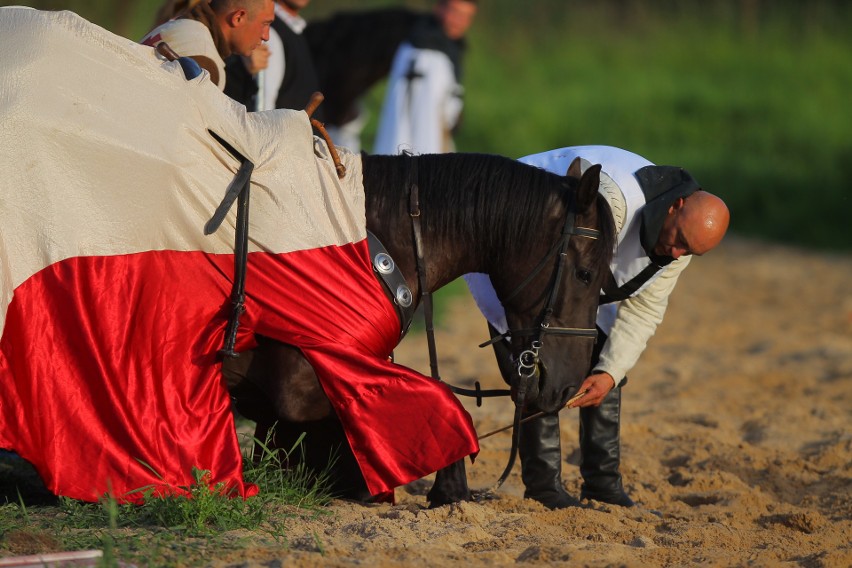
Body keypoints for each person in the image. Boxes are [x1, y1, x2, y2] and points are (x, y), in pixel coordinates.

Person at [465, 145, 730, 509]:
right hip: (514, 237)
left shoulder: (679, 245)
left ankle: (602, 484)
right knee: (535, 363)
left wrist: (608, 372)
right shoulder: (613, 201)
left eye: (690, 253)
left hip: (579, 273)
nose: (678, 255)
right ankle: (544, 489)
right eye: (680, 242)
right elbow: (557, 270)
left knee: (606, 356)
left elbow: (644, 309)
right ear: (676, 207)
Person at [373, 0, 478, 155]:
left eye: (466, 16)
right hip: (417, 149)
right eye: (455, 12)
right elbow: (422, 118)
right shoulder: (423, 53)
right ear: (439, 9)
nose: (459, 21)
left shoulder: (450, 47)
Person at [141, 0, 275, 91]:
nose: (266, 36)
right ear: (238, 17)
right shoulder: (205, 63)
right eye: (265, 24)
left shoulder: (180, 25)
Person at [222, 0, 321, 115]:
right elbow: (263, 112)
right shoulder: (267, 33)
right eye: (265, 23)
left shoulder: (301, 31)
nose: (265, 35)